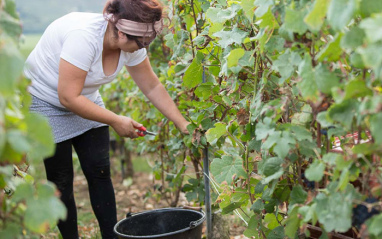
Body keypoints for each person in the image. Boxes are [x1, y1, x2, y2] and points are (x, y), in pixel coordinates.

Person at [24, 0, 189, 238]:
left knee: (100, 171)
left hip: (84, 97)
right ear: (121, 32)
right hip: (46, 100)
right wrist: (115, 119)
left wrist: (181, 123)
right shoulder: (84, 38)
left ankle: (112, 236)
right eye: (142, 42)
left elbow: (152, 86)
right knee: (61, 181)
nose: (144, 47)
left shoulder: (131, 44)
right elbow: (68, 97)